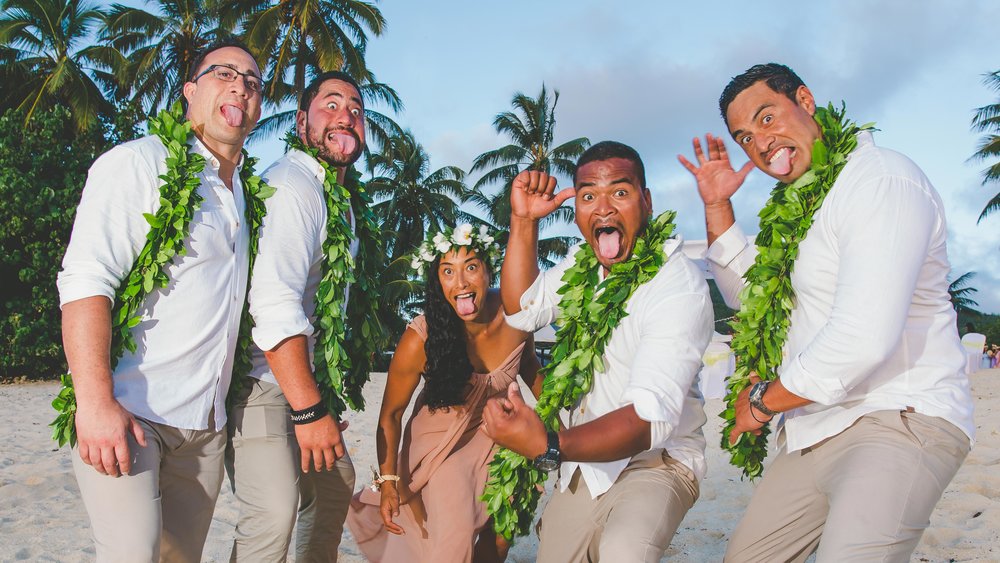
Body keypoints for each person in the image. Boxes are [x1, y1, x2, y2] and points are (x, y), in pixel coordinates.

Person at [679, 62, 975, 561]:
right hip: (814, 428)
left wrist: (760, 402)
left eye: (767, 118)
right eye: (745, 137)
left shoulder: (880, 179)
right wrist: (716, 208)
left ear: (806, 100)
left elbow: (864, 335)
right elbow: (752, 297)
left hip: (899, 414)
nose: (761, 142)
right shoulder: (800, 206)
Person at [56, 40, 263, 561]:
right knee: (131, 552)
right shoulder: (138, 162)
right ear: (191, 91)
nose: (241, 85)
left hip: (204, 428)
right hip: (132, 412)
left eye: (254, 81)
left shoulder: (245, 194)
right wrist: (96, 403)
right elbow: (85, 281)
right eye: (224, 73)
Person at [483, 141, 714, 562]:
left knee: (624, 552)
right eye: (588, 196)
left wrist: (548, 444)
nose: (603, 208)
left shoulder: (677, 285)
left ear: (646, 201)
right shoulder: (581, 267)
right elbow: (522, 308)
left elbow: (648, 418)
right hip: (584, 466)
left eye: (620, 193)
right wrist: (522, 220)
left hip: (657, 462)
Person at [225, 70, 383, 561]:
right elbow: (275, 305)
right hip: (263, 383)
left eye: (356, 110)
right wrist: (311, 411)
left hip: (301, 381)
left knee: (336, 487)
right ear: (300, 122)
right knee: (272, 515)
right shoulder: (293, 186)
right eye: (330, 105)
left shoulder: (339, 200)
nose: (347, 116)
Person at [346, 225, 543, 562]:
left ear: (488, 270)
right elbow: (391, 414)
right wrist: (389, 481)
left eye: (471, 267)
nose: (461, 283)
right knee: (454, 539)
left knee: (498, 541)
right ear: (437, 281)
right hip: (441, 449)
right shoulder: (420, 337)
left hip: (502, 439)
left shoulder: (516, 317)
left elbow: (539, 378)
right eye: (447, 272)